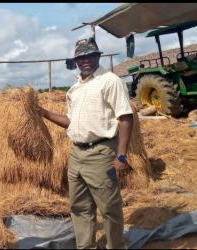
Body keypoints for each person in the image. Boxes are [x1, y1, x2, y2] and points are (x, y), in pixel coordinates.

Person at [38, 37, 133, 249]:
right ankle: (85, 246)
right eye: (81, 57)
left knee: (109, 207)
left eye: (90, 55)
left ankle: (115, 246)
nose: (86, 60)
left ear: (98, 56)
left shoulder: (110, 81)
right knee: (79, 206)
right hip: (77, 155)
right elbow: (70, 122)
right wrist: (44, 113)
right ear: (76, 60)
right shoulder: (74, 89)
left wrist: (121, 156)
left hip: (102, 154)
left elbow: (125, 117)